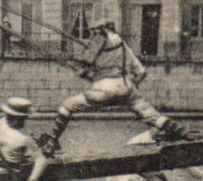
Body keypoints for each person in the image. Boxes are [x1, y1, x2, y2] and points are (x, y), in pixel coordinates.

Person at [41, 21, 193, 156]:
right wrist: (128, 87)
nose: (92, 34)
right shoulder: (123, 45)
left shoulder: (99, 39)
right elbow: (141, 72)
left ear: (102, 29)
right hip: (126, 88)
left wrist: (80, 69)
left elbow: (85, 61)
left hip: (103, 91)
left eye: (94, 31)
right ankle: (186, 134)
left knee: (67, 106)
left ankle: (52, 142)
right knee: (153, 116)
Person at [0, 98, 50, 181]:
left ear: (23, 117)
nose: (9, 118)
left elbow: (41, 159)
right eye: (8, 115)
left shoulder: (25, 137)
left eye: (14, 117)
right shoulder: (3, 122)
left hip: (6, 171)